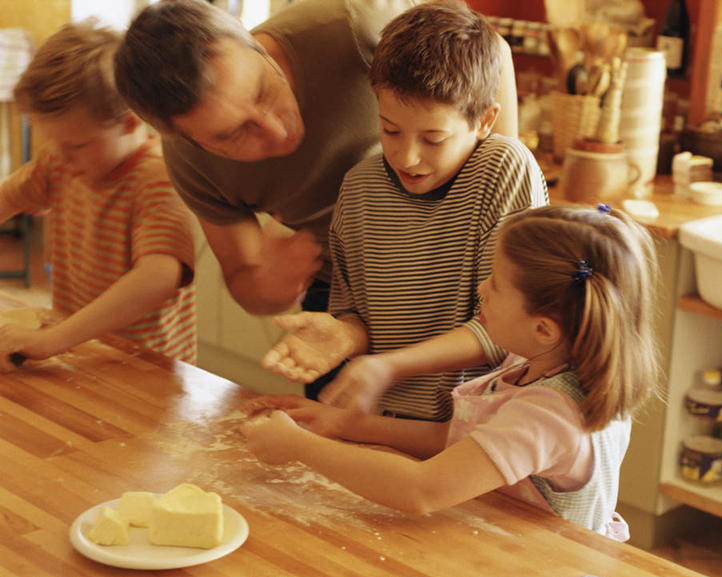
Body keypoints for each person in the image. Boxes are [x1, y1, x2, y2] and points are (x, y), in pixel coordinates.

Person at [240, 204, 660, 539]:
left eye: (495, 283)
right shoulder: (548, 360)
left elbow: (422, 489)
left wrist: (298, 447)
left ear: (544, 328)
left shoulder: (551, 415)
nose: (481, 289)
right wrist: (348, 425)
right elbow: (469, 447)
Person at [114, 0, 519, 319]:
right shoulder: (190, 163)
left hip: (457, 273)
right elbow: (245, 283)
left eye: (262, 90)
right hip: (341, 296)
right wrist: (269, 285)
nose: (277, 130)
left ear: (251, 39)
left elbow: (490, 54)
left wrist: (496, 190)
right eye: (233, 134)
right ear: (185, 139)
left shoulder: (354, 24)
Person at [261, 1, 547, 419]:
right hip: (383, 422)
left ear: (485, 121)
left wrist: (389, 366)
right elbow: (361, 319)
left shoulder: (504, 169)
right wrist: (344, 334)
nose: (407, 157)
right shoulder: (360, 188)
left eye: (433, 139)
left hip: (478, 433)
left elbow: (513, 330)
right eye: (390, 130)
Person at [0, 21, 197, 369]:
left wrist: (51, 340)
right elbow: (7, 198)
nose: (61, 156)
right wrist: (58, 341)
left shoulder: (160, 179)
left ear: (131, 121)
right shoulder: (62, 161)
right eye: (53, 143)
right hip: (80, 350)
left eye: (76, 145)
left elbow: (158, 278)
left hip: (145, 368)